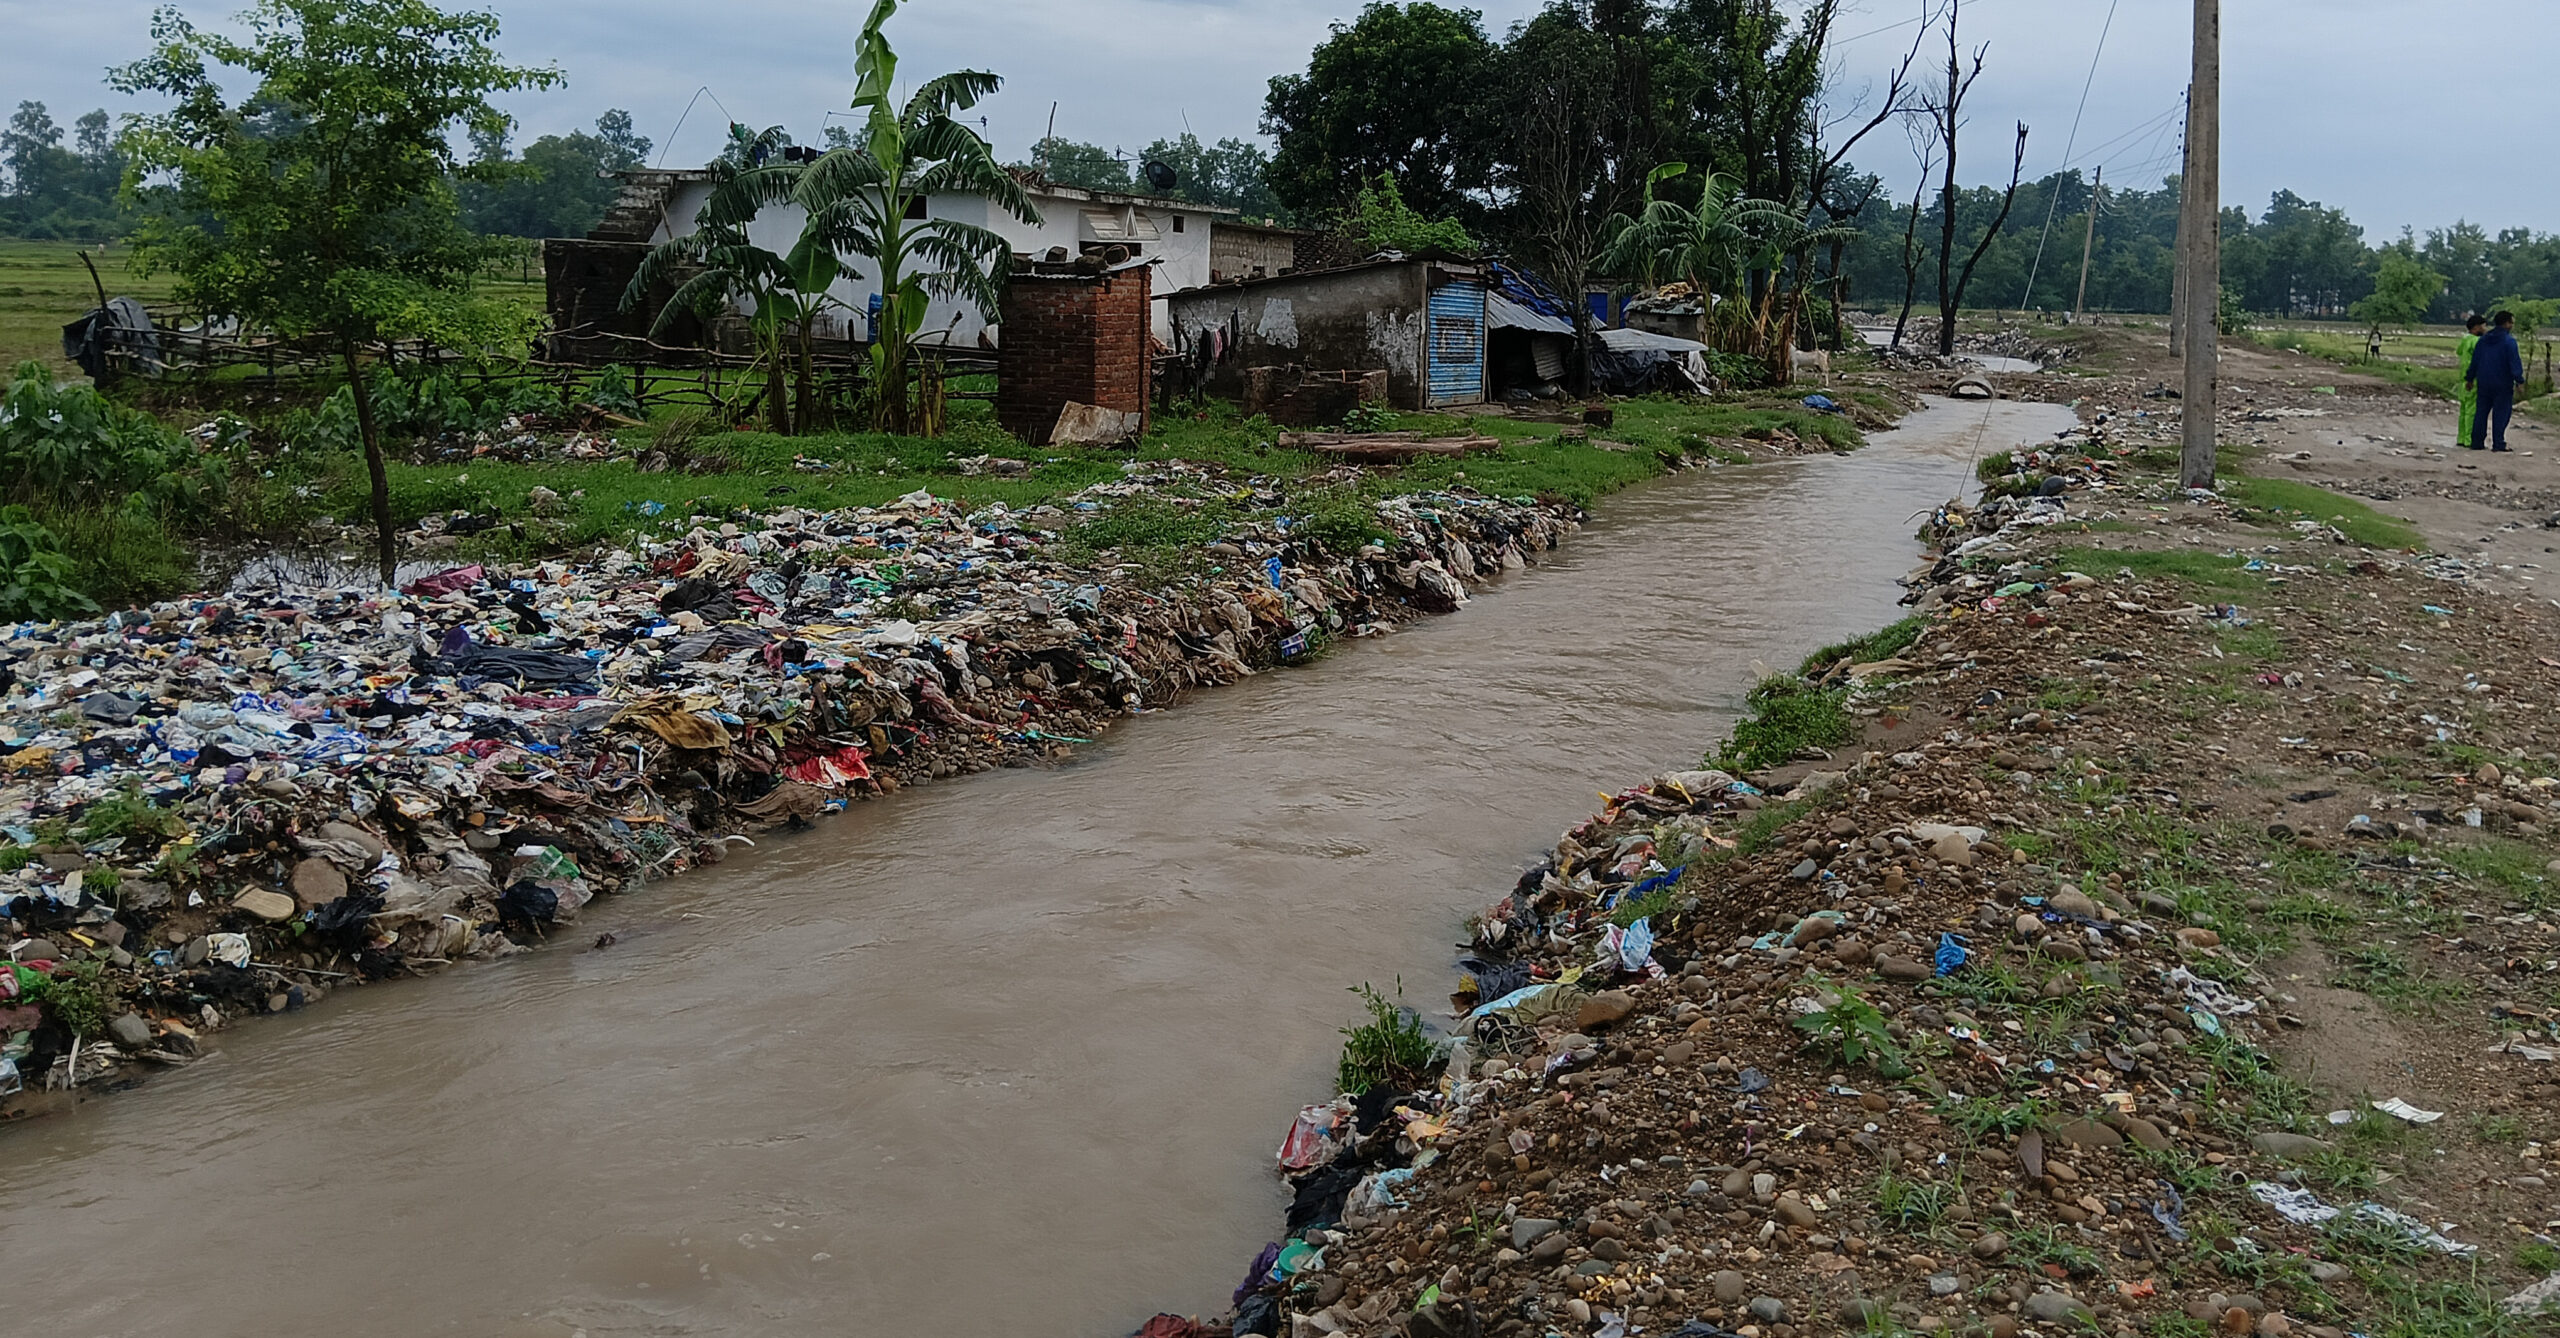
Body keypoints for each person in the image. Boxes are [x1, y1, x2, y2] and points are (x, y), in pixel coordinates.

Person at [2470, 310, 2526, 452]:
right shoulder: (2509, 342)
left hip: (2484, 381)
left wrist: (2469, 378)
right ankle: (2498, 443)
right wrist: (2519, 381)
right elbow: (2514, 363)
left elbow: (2475, 361)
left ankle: (2477, 442)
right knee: (2501, 413)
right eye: (2511, 322)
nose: (2512, 325)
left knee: (2481, 412)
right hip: (2502, 382)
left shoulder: (2483, 340)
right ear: (2506, 323)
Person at [2457, 313, 2487, 448]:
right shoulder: (2476, 341)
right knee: (2471, 411)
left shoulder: (2464, 340)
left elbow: (2458, 352)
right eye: (2483, 326)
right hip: (2472, 380)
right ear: (2476, 327)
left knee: (2463, 410)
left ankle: (2461, 437)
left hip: (2462, 379)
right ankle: (2469, 439)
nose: (2485, 329)